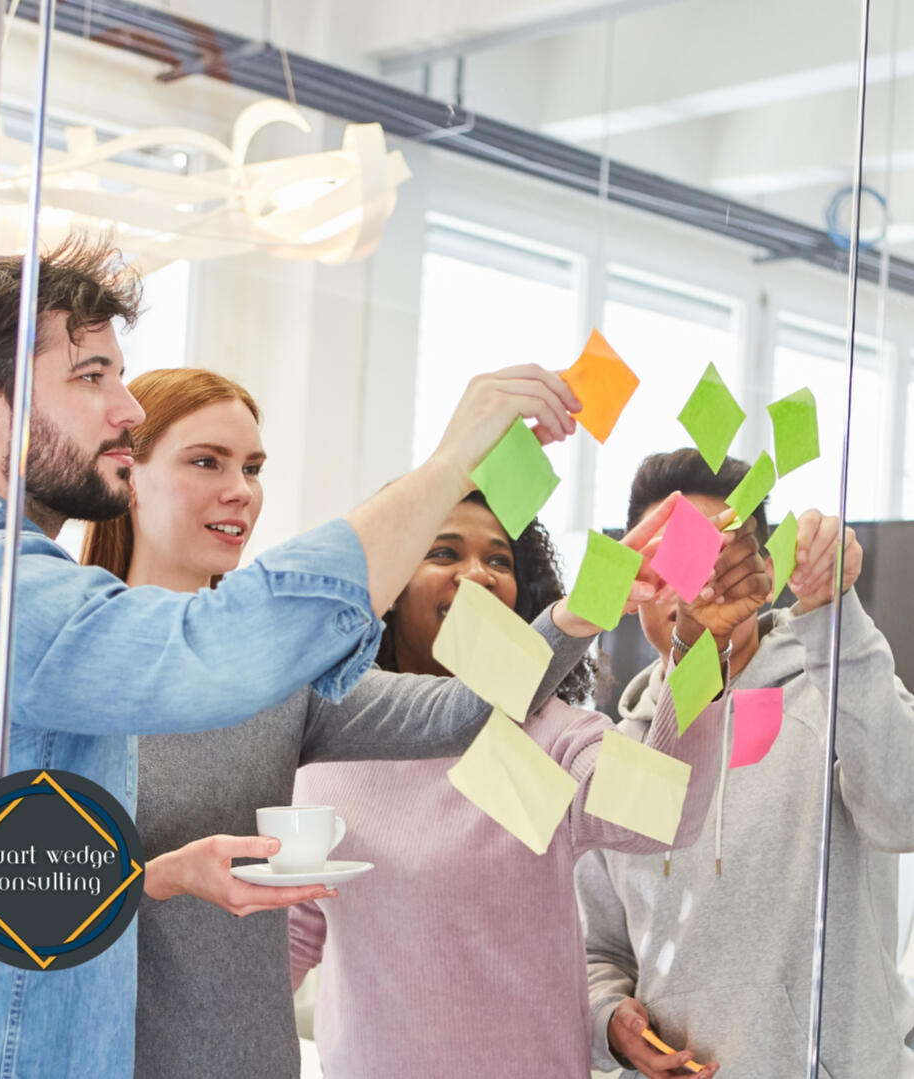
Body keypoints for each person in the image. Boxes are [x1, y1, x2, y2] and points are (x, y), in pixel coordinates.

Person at [0, 236, 583, 1078]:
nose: (124, 408)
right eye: (90, 375)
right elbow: (213, 648)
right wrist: (449, 464)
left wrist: (148, 878)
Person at [80, 366, 610, 1078]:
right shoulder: (71, 660)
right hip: (100, 1057)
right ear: (128, 474)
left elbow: (462, 709)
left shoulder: (281, 673)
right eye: (206, 461)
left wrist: (585, 606)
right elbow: (0, 892)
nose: (240, 489)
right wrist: (157, 877)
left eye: (254, 467)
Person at [287, 483, 772, 1077]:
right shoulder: (328, 748)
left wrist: (701, 644)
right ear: (386, 587)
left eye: (499, 560)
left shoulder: (547, 736)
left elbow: (662, 814)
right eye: (443, 553)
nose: (479, 575)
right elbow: (289, 938)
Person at [575, 448, 914, 1078]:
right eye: (670, 560)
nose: (698, 583)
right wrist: (611, 1023)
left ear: (764, 568)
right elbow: (600, 948)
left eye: (716, 554)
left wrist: (834, 615)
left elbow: (907, 811)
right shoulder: (615, 752)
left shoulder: (832, 687)